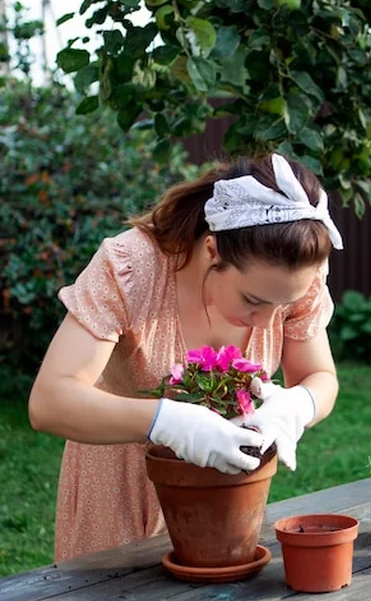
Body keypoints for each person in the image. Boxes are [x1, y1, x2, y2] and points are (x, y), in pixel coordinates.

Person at [28, 153, 344, 563]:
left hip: (226, 495)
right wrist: (167, 421)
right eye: (253, 300)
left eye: (282, 304)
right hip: (119, 489)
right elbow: (50, 401)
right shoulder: (133, 267)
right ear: (212, 250)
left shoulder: (295, 277)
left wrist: (299, 405)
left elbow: (320, 375)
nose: (269, 320)